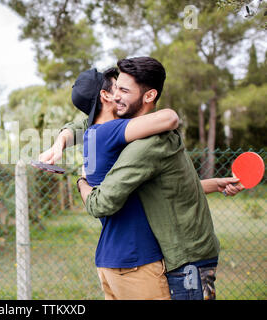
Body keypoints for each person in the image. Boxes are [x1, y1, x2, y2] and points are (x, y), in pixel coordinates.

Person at [39, 57, 243, 300]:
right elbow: (88, 125)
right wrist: (62, 142)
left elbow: (161, 186)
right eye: (114, 89)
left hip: (188, 258)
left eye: (123, 90)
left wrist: (80, 179)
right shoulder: (132, 134)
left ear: (148, 96)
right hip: (179, 257)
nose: (115, 96)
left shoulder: (145, 141)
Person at [68, 66, 180, 300]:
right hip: (136, 260)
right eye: (116, 86)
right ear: (105, 96)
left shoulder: (93, 136)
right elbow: (169, 118)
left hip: (110, 262)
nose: (120, 92)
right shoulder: (111, 131)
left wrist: (214, 184)